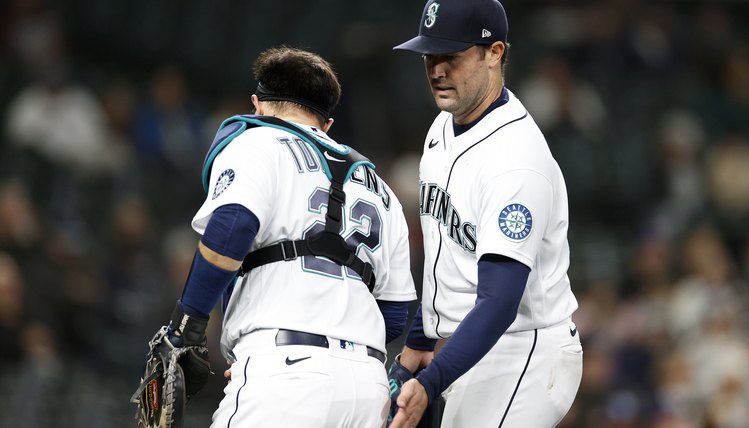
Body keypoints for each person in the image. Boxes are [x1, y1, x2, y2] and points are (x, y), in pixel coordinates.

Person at [150, 46, 417, 427]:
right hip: (367, 387)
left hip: (284, 372)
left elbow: (233, 227)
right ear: (326, 124)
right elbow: (393, 314)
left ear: (257, 104)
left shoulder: (257, 141)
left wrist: (186, 325)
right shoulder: (381, 189)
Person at [388, 1, 583, 427]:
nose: (437, 70)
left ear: (494, 53)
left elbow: (499, 302)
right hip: (473, 346)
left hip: (524, 351)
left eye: (451, 56)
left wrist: (430, 381)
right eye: (429, 56)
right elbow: (447, 261)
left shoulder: (515, 160)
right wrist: (420, 340)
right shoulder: (443, 126)